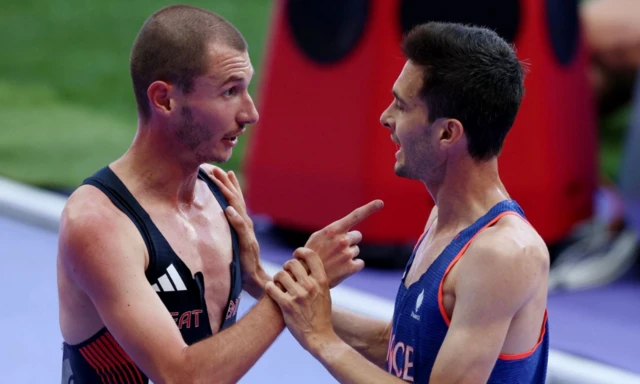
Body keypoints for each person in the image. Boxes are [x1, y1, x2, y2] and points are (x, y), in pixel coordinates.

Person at [56, 5, 382, 384]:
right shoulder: (99, 223)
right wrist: (299, 283)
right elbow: (181, 377)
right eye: (229, 91)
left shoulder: (219, 194)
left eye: (246, 89)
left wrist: (261, 280)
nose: (251, 113)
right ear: (164, 99)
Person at [261, 22, 551, 383]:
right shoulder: (443, 220)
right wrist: (261, 281)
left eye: (401, 105)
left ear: (448, 133)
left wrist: (322, 341)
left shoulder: (504, 253)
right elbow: (400, 345)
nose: (386, 117)